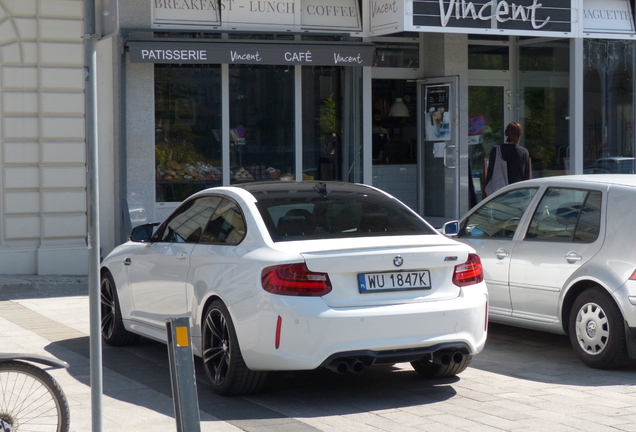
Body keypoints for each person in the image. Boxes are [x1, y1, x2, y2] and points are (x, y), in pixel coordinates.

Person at [484, 122, 531, 196]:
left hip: (499, 194)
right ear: (520, 134)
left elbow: (490, 173)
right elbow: (526, 177)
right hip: (518, 193)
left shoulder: (496, 150)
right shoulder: (524, 152)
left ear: (506, 133)